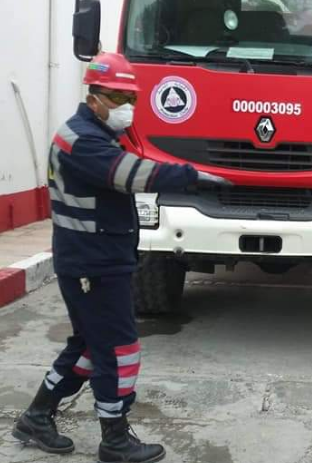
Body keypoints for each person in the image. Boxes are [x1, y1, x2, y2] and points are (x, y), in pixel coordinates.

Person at [12, 53, 229, 463]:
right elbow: (131, 174)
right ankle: (114, 439)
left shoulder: (93, 134)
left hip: (93, 261)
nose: (126, 106)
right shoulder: (84, 141)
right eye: (116, 97)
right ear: (93, 97)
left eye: (131, 97)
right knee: (118, 349)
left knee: (89, 347)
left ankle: (37, 416)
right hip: (92, 266)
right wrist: (191, 175)